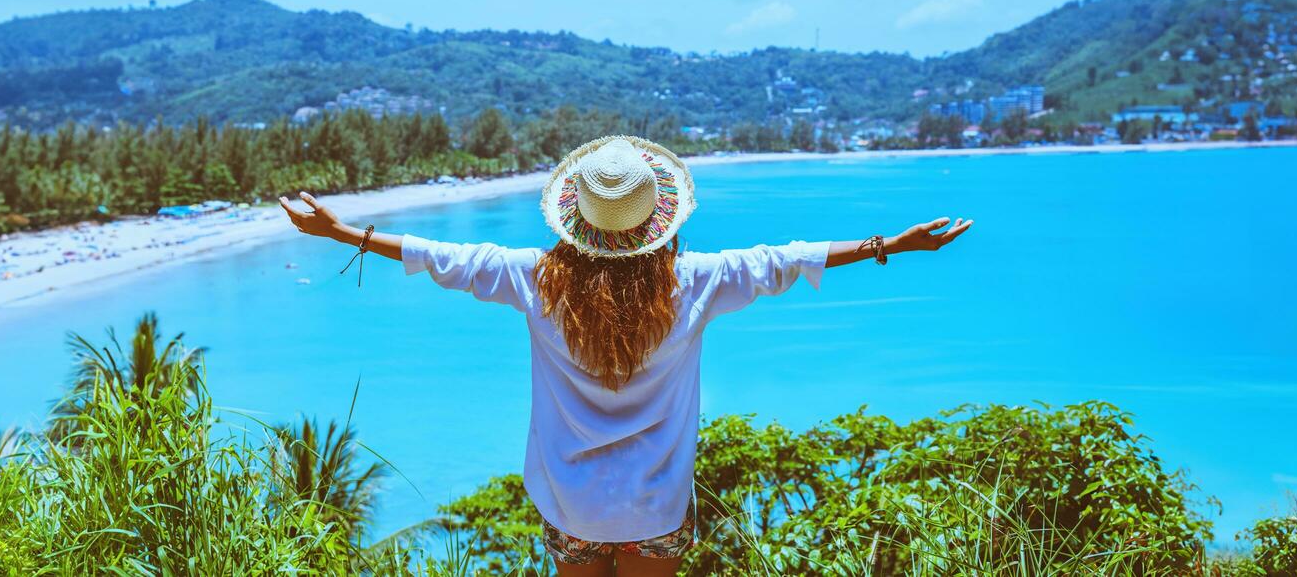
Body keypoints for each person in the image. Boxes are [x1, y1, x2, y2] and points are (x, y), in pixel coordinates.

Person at [278, 135, 970, 576]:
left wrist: (342, 232)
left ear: (577, 220)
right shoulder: (694, 283)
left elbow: (445, 259)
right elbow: (784, 260)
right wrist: (891, 246)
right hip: (654, 506)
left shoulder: (534, 279)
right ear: (660, 222)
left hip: (571, 507)